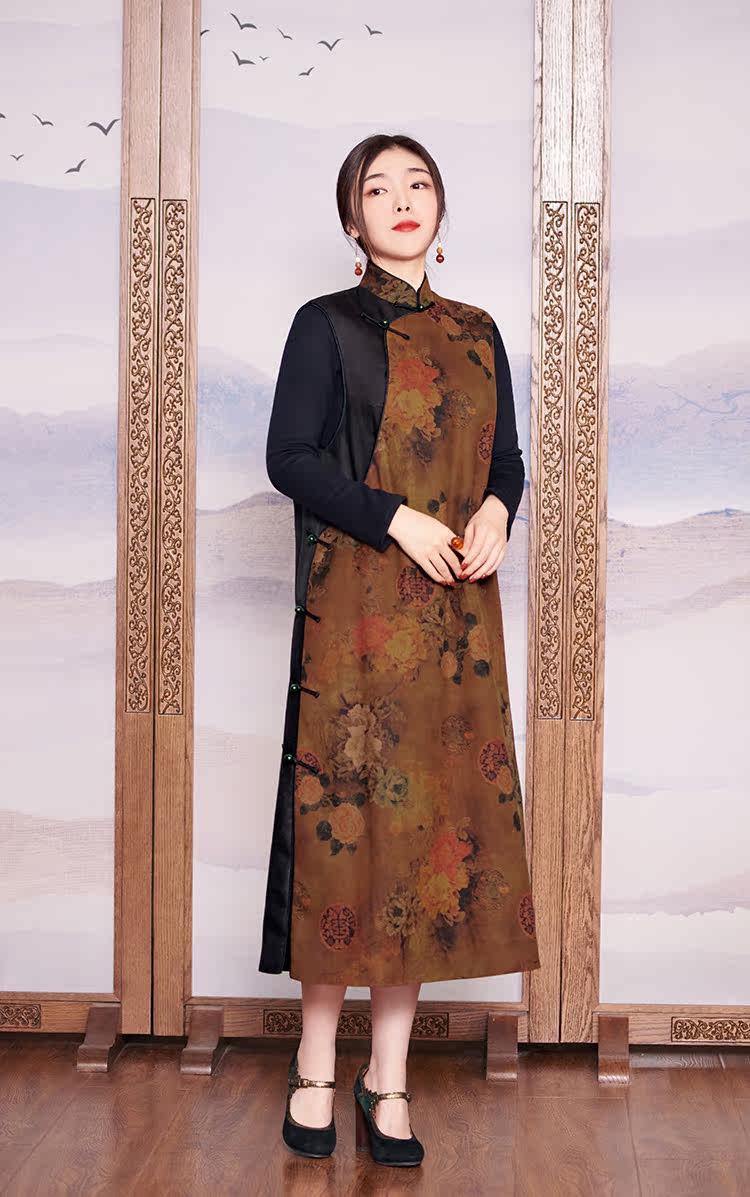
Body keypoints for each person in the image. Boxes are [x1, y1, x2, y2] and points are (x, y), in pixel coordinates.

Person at [258, 133, 541, 1167]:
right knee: (345, 841)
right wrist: (395, 518)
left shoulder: (478, 331)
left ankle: (389, 1077)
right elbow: (289, 458)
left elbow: (505, 460)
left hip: (455, 626)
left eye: (417, 183)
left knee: (423, 848)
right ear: (353, 220)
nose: (401, 199)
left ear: (440, 205)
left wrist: (499, 512)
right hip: (356, 620)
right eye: (377, 189)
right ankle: (315, 1066)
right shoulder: (325, 324)